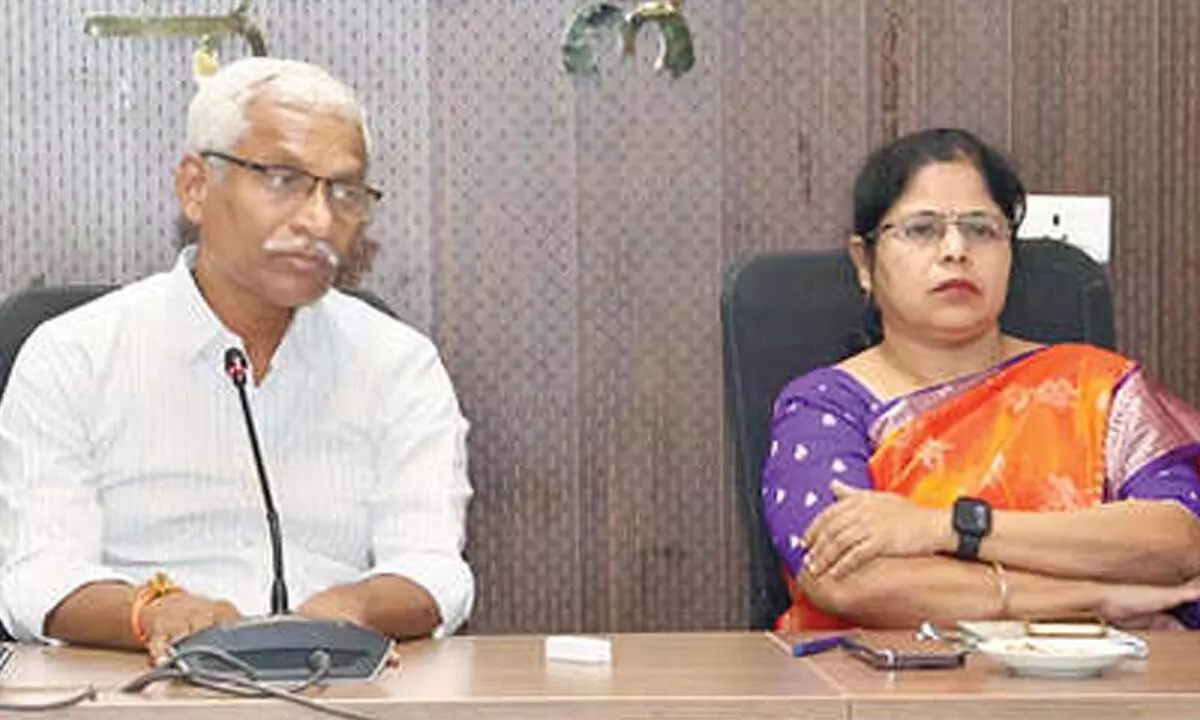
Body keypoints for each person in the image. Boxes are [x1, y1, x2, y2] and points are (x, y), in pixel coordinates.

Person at [0, 57, 474, 657]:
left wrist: (349, 610)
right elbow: (38, 579)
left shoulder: (398, 362)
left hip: (339, 679)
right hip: (138, 682)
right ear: (196, 187)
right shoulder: (73, 355)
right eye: (283, 179)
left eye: (345, 192)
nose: (319, 219)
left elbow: (434, 569)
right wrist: (153, 613)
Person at [763, 127, 1200, 631]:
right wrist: (1095, 598)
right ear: (864, 262)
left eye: (981, 229)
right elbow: (849, 582)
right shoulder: (825, 406)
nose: (955, 249)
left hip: (1096, 678)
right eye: (922, 229)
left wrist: (946, 527)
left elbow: (1180, 543)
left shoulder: (1097, 387)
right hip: (889, 676)